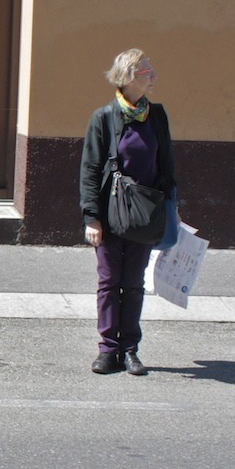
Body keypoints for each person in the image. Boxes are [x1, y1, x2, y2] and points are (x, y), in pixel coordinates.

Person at [78, 48, 177, 375]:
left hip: (145, 215)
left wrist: (171, 209)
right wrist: (91, 216)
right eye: (147, 70)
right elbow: (90, 168)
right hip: (110, 214)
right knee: (109, 283)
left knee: (133, 284)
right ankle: (108, 350)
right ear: (131, 76)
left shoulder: (157, 116)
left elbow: (167, 166)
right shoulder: (104, 117)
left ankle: (130, 349)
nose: (153, 74)